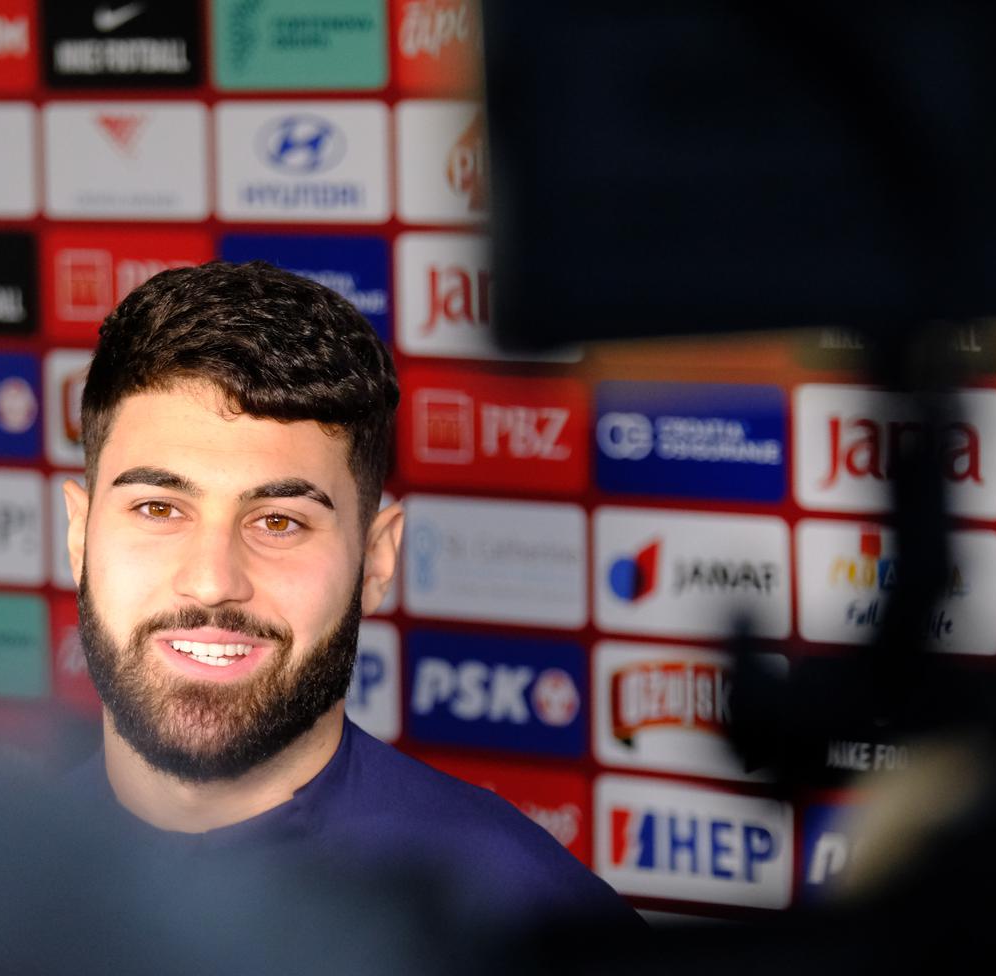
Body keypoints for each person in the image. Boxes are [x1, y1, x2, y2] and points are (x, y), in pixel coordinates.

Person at [61, 260, 640, 928]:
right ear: (80, 535)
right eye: (159, 509)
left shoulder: (528, 921)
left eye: (279, 522)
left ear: (376, 560)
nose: (214, 582)